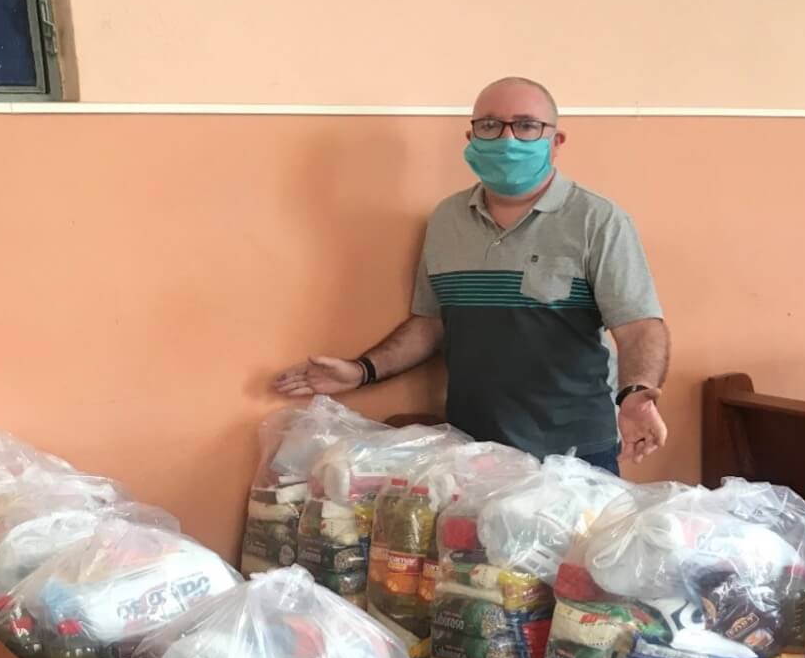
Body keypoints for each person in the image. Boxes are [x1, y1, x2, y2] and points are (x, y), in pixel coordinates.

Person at [273, 76, 669, 472]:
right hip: (471, 453)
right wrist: (361, 371)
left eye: (527, 125)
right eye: (491, 125)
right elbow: (430, 323)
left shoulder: (597, 220)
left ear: (556, 140)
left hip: (574, 455)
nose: (508, 139)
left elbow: (639, 327)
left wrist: (636, 395)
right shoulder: (447, 219)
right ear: (472, 136)